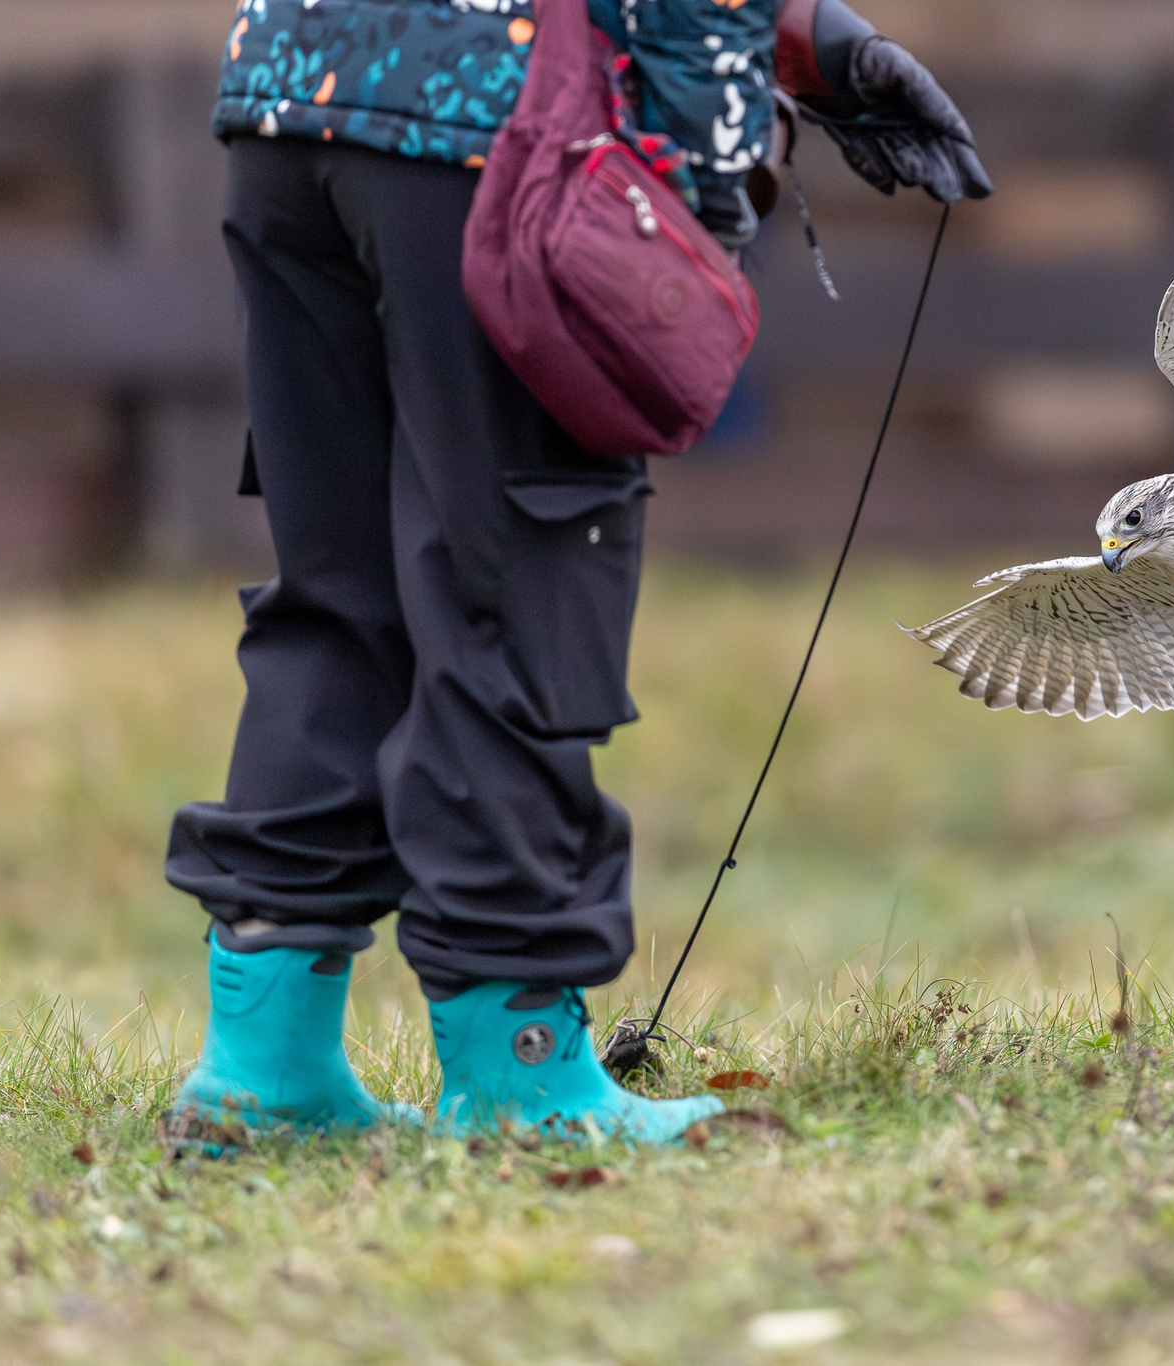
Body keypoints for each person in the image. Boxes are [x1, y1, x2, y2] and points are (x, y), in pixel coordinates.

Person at [166, 0, 990, 1145]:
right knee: (514, 597)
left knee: (337, 595)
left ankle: (264, 1065)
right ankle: (523, 1082)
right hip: (495, 148)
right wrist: (697, 209)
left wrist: (810, 39)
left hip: (286, 106)